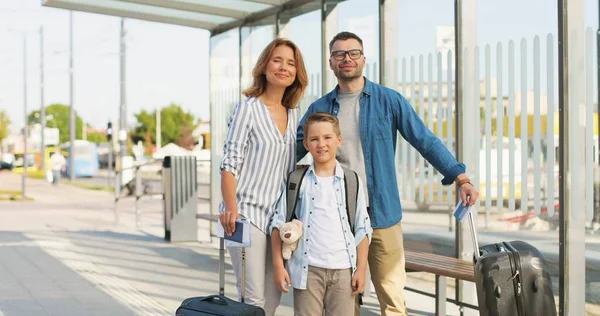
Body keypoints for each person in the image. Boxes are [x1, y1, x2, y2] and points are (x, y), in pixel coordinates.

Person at [296, 31, 480, 316]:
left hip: (383, 215)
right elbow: (291, 153)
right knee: (344, 302)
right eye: (339, 54)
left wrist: (460, 177)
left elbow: (425, 140)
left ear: (364, 59)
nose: (347, 58)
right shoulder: (318, 109)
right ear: (331, 62)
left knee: (392, 300)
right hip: (337, 218)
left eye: (353, 52)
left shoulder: (389, 101)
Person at [219, 37, 308, 316]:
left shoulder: (294, 115)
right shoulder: (248, 108)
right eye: (277, 60)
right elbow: (229, 164)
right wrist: (231, 209)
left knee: (272, 298)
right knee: (252, 298)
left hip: (277, 221)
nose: (283, 67)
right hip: (244, 216)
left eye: (291, 63)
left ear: (297, 73)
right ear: (265, 66)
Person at [270, 112, 373, 316]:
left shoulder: (352, 181)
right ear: (306, 144)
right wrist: (278, 266)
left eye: (327, 138)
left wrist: (361, 269)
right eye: (314, 139)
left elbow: (362, 228)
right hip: (308, 271)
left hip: (344, 271)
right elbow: (278, 223)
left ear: (338, 140)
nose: (321, 144)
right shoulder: (297, 180)